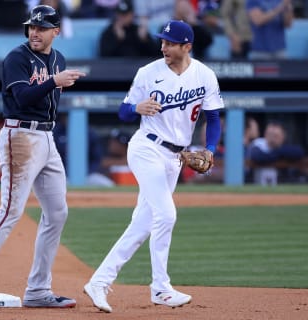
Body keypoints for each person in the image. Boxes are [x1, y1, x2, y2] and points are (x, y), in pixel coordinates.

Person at [83, 20, 223, 313]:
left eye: (170, 43)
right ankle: (160, 288)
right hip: (146, 147)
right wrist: (136, 108)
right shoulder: (148, 73)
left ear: (187, 47)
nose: (164, 47)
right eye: (162, 42)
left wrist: (209, 149)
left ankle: (99, 280)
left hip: (175, 157)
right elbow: (122, 112)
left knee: (143, 224)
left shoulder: (205, 75)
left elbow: (214, 118)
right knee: (166, 214)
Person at [0, 4, 86, 311]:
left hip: (47, 138)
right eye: (32, 27)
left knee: (57, 213)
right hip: (20, 136)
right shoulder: (17, 57)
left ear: (56, 31)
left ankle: (39, 290)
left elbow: (49, 104)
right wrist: (55, 81)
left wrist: (56, 79)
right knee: (11, 210)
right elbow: (23, 97)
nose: (35, 32)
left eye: (41, 28)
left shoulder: (58, 59)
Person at [53, 113, 115, 187]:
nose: (67, 119)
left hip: (88, 175)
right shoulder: (55, 132)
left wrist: (87, 172)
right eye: (66, 116)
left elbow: (97, 158)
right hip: (61, 175)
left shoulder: (89, 133)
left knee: (108, 185)